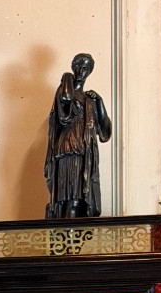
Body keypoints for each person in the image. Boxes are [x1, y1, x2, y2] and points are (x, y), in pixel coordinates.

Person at [44, 54, 112, 219]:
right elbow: (65, 100)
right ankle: (69, 234)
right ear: (73, 67)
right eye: (79, 66)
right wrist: (67, 77)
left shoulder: (90, 100)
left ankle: (77, 234)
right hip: (69, 148)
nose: (82, 71)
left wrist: (100, 102)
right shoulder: (64, 89)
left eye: (86, 68)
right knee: (70, 198)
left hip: (85, 152)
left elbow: (105, 133)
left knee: (83, 201)